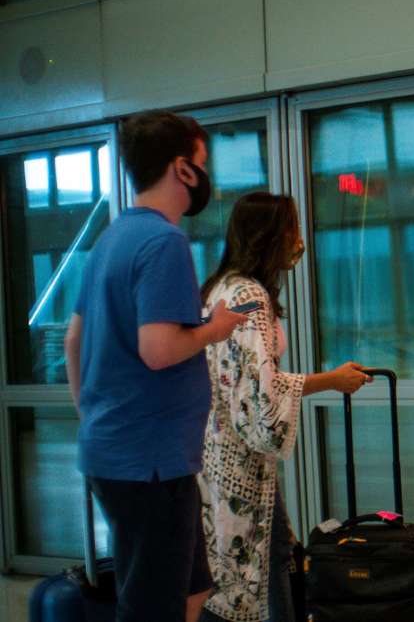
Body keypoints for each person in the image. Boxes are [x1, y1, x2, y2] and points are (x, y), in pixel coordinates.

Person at [65, 111, 249, 622]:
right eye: (202, 162)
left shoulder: (109, 240)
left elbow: (74, 341)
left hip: (127, 453)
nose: (206, 174)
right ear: (182, 169)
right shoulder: (164, 242)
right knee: (152, 607)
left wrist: (96, 418)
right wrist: (215, 327)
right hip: (151, 462)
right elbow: (158, 349)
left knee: (191, 590)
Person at [196, 193, 371, 622]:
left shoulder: (220, 287)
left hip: (214, 453)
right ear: (270, 236)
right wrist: (332, 380)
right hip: (242, 465)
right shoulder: (251, 300)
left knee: (236, 567)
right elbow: (261, 396)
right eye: (291, 229)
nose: (299, 240)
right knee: (263, 564)